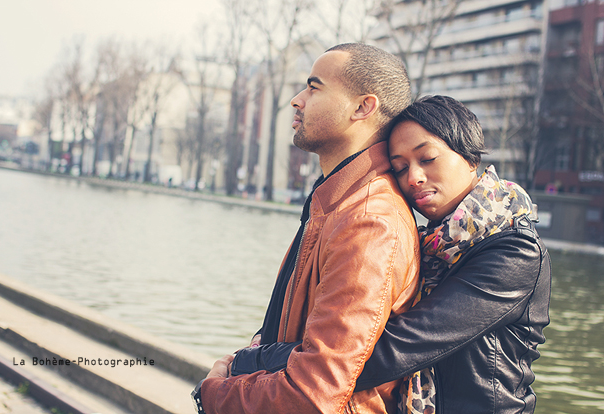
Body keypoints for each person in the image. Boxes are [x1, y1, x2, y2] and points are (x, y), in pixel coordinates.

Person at [229, 95, 552, 414]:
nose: (414, 178)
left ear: (470, 158)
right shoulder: (431, 243)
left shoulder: (515, 253)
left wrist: (257, 359)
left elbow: (393, 349)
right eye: (400, 168)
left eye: (427, 159)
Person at [192, 43, 420, 414]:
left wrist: (215, 393)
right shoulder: (335, 200)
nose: (298, 100)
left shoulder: (369, 222)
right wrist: (247, 360)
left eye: (314, 88)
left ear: (363, 107)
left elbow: (313, 394)